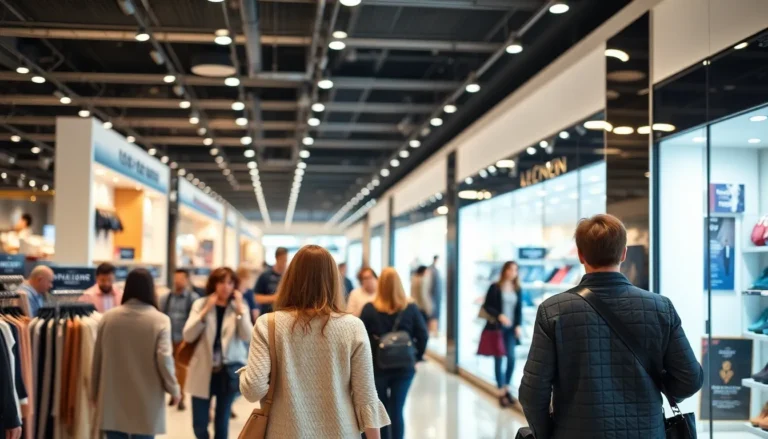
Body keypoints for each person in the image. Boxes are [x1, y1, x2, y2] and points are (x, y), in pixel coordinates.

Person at [519, 214, 704, 439]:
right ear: (624, 253)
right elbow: (690, 379)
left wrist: (547, 433)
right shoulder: (660, 307)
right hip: (646, 431)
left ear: (580, 255)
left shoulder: (554, 310)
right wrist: (658, 388)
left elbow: (532, 391)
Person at [239, 245, 390, 438]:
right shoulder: (353, 327)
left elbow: (253, 390)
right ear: (334, 280)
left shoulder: (268, 325)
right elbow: (366, 396)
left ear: (290, 279)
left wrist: (246, 371)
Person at [91, 268, 181, 439]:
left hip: (112, 398)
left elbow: (97, 359)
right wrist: (174, 389)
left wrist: (94, 393)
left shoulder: (108, 318)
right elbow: (165, 360)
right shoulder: (160, 320)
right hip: (147, 399)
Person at [183, 267, 252, 439]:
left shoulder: (239, 307)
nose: (225, 287)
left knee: (222, 423)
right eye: (221, 282)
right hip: (203, 369)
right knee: (199, 424)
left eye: (230, 283)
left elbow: (247, 335)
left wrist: (240, 312)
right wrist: (206, 311)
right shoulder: (200, 304)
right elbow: (188, 335)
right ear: (214, 283)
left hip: (227, 372)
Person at [359, 268, 428, 439]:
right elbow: (423, 335)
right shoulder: (410, 308)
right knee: (397, 409)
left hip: (378, 367)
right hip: (405, 367)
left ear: (380, 285)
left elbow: (360, 341)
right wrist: (417, 357)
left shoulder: (369, 309)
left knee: (379, 411)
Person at [480, 261, 522, 407]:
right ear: (504, 271)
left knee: (511, 358)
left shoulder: (517, 289)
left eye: (515, 270)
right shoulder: (495, 287)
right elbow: (487, 306)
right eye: (510, 269)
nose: (512, 272)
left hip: (510, 329)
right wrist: (499, 316)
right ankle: (501, 391)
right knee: (499, 359)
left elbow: (519, 309)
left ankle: (507, 387)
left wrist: (518, 325)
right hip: (497, 328)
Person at [158, 269, 200, 411]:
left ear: (187, 280)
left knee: (181, 368)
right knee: (170, 367)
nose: (177, 281)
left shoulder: (193, 299)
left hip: (184, 339)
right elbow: (161, 317)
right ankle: (173, 391)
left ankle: (180, 395)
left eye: (181, 278)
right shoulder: (165, 298)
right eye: (176, 278)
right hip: (168, 338)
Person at [253, 247, 288, 314]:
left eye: (285, 260)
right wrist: (274, 298)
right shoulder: (265, 275)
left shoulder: (288, 276)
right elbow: (256, 297)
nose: (284, 263)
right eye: (282, 260)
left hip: (283, 314)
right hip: (267, 314)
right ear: (276, 258)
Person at [427, 255, 443, 334]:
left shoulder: (435, 270)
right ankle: (433, 331)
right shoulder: (431, 270)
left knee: (435, 315)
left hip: (436, 296)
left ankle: (435, 331)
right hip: (433, 297)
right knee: (433, 315)